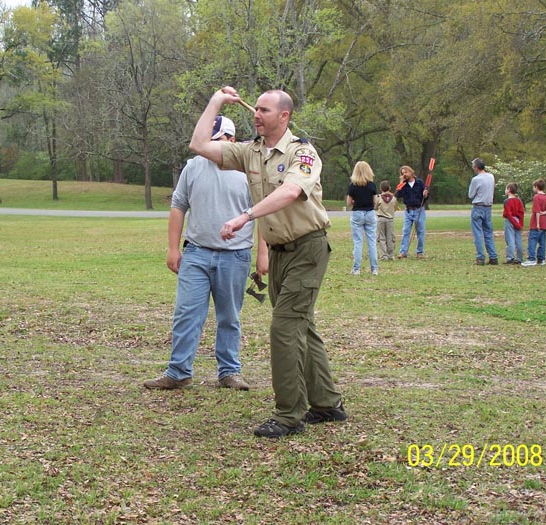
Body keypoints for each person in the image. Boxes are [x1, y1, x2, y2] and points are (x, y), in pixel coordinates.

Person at [189, 86, 344, 438]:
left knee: (285, 328)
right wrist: (216, 101)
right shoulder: (251, 151)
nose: (256, 115)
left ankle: (289, 414)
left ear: (284, 116)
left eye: (264, 110)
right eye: (254, 109)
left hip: (308, 249)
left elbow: (290, 191)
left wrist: (245, 217)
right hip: (279, 252)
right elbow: (199, 145)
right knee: (301, 325)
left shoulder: (302, 152)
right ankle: (327, 403)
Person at [144, 116, 268, 391]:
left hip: (235, 255)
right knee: (187, 313)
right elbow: (179, 206)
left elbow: (262, 212)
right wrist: (173, 248)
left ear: (231, 141)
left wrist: (263, 253)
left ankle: (229, 372)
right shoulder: (193, 166)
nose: (211, 148)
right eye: (209, 141)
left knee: (229, 316)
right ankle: (178, 372)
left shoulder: (250, 171)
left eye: (218, 140)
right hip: (197, 253)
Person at [347, 161, 379, 275]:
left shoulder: (353, 186)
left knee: (358, 242)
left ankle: (356, 269)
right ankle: (374, 269)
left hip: (357, 213)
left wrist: (356, 201)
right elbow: (375, 201)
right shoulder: (372, 185)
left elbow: (349, 202)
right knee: (371, 241)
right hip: (370, 213)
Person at [468, 158, 498, 265]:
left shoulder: (476, 179)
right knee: (488, 233)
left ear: (476, 167)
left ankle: (480, 257)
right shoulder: (491, 177)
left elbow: (471, 195)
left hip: (478, 207)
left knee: (478, 233)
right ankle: (493, 256)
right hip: (488, 207)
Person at [395, 165, 428, 259]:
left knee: (420, 232)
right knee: (406, 231)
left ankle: (420, 252)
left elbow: (426, 195)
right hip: (408, 211)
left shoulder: (419, 182)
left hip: (419, 210)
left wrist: (425, 194)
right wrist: (401, 183)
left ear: (411, 172)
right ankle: (403, 252)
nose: (404, 174)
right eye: (402, 173)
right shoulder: (404, 185)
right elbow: (397, 194)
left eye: (406, 172)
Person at [521, 179, 546, 267]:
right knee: (542, 242)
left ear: (536, 187)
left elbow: (537, 211)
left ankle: (531, 258)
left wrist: (537, 223)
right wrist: (543, 213)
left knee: (532, 240)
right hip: (544, 222)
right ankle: (541, 259)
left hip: (536, 223)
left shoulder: (536, 197)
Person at [502, 182, 524, 264]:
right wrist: (520, 223)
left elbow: (508, 213)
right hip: (518, 220)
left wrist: (514, 222)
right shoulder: (519, 201)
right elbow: (521, 212)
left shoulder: (507, 201)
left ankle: (510, 257)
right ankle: (520, 258)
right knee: (518, 239)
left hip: (510, 220)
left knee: (510, 239)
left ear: (509, 190)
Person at [375, 180, 398, 260]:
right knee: (390, 237)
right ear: (390, 188)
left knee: (381, 237)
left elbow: (375, 207)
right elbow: (395, 208)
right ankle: (390, 255)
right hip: (390, 219)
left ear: (381, 189)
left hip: (380, 219)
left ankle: (383, 255)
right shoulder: (394, 198)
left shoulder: (378, 198)